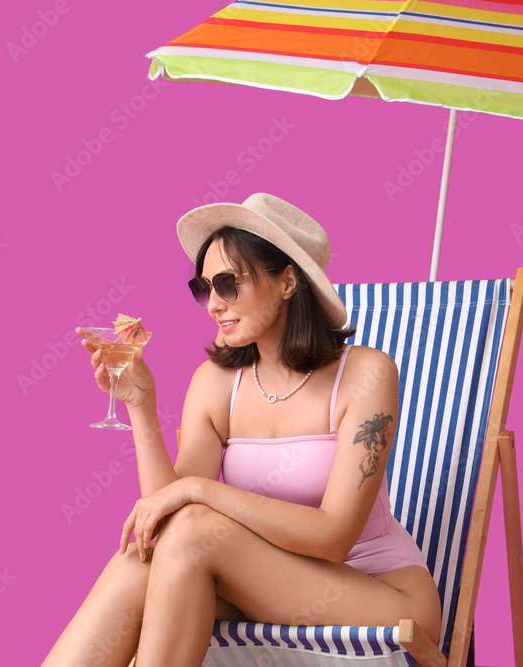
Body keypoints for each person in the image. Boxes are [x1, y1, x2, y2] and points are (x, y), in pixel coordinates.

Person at [43, 193, 441, 667]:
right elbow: (164, 526)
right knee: (140, 562)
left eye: (228, 284)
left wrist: (199, 491)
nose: (212, 304)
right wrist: (140, 408)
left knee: (192, 530)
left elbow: (334, 538)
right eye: (203, 287)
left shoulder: (367, 374)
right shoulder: (215, 384)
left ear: (288, 280)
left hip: (377, 595)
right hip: (268, 583)